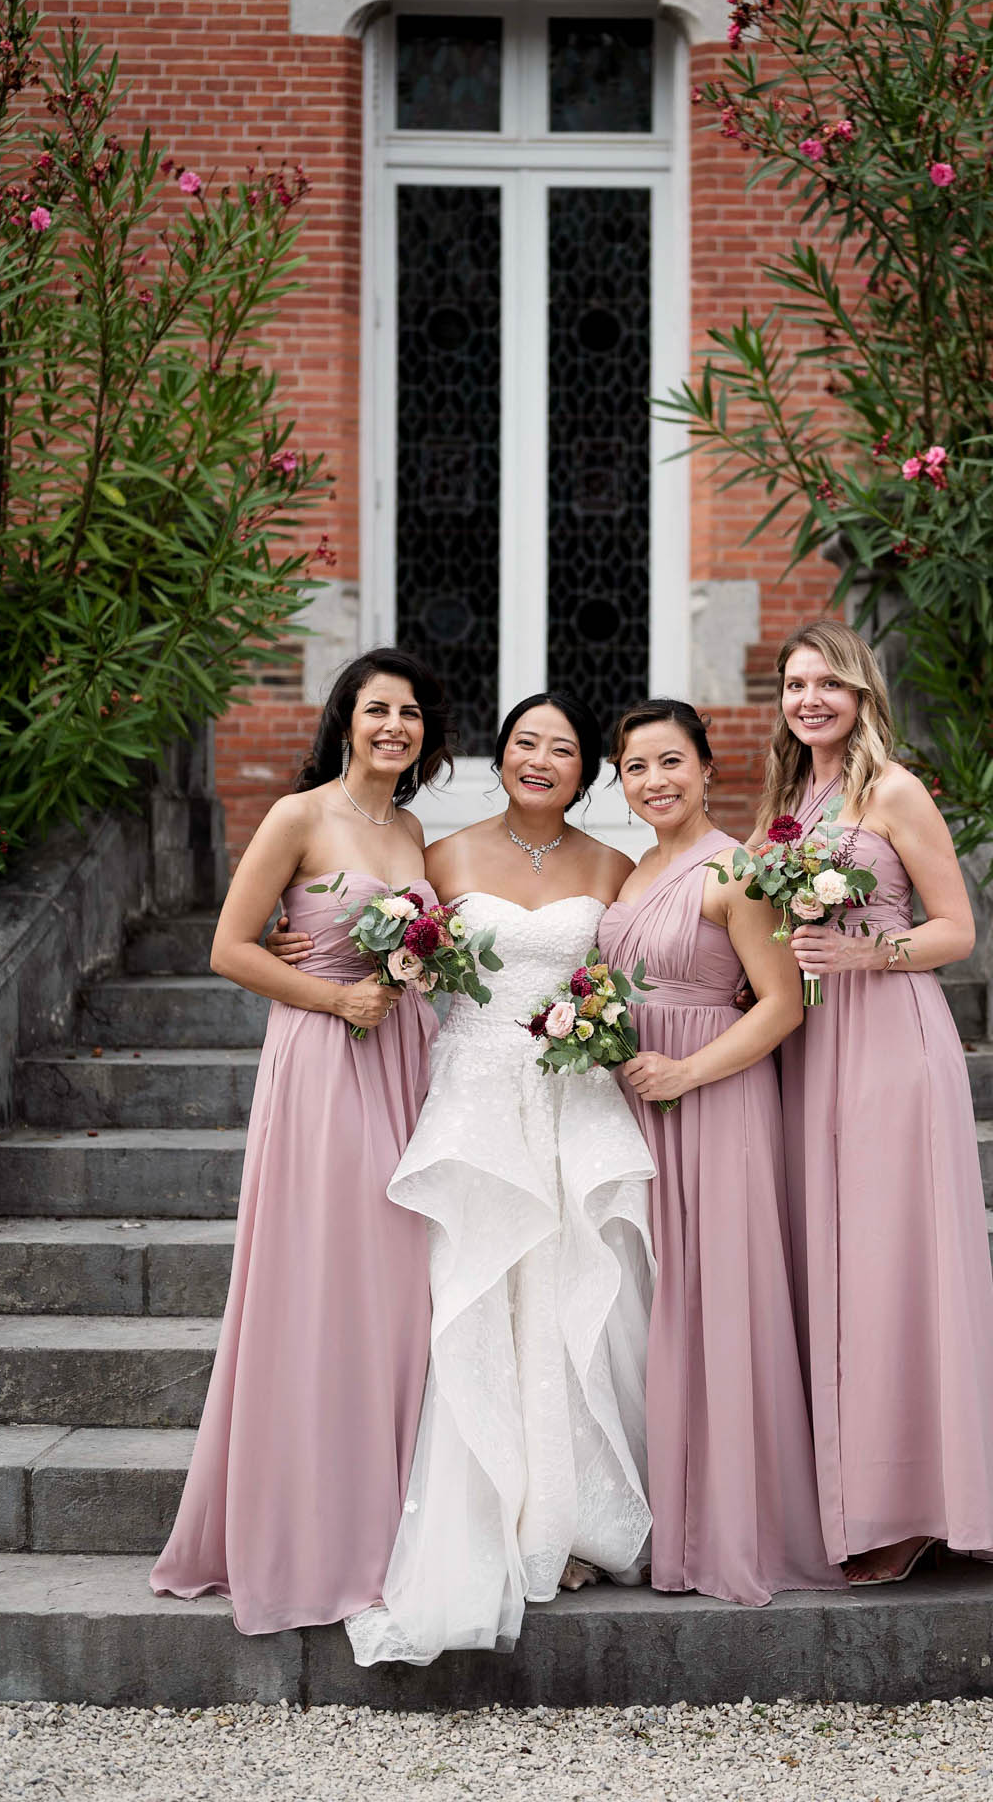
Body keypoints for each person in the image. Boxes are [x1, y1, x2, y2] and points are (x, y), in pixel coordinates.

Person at [337, 693, 657, 1666]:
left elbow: (635, 973)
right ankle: (496, 1514)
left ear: (585, 771)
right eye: (526, 742)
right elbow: (392, 955)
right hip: (475, 1096)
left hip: (571, 1099)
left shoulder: (614, 868)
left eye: (562, 747)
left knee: (575, 1309)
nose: (541, 758)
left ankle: (571, 1519)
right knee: (479, 1298)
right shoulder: (441, 855)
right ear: (499, 754)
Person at [151, 648, 451, 1633]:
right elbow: (230, 945)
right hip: (323, 1059)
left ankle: (386, 1518)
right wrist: (332, 992)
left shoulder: (411, 828)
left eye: (409, 713)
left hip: (403, 1059)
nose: (393, 726)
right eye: (377, 709)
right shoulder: (298, 815)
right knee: (326, 1278)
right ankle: (303, 1533)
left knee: (397, 1286)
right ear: (345, 718)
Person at [766, 619, 993, 1583]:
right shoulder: (792, 797)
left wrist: (867, 951)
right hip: (815, 1040)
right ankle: (850, 1493)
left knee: (892, 1264)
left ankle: (914, 1504)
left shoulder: (893, 790)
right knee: (835, 1265)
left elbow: (957, 929)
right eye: (795, 685)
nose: (810, 700)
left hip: (893, 1039)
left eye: (829, 684)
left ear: (863, 695)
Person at [596, 699, 842, 1607]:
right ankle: (657, 1514)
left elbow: (781, 1004)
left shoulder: (738, 871)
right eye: (635, 768)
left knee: (716, 1303)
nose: (655, 782)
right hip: (638, 1099)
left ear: (707, 770)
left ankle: (728, 1529)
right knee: (654, 1306)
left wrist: (689, 1072)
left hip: (715, 1097)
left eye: (671, 763)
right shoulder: (628, 876)